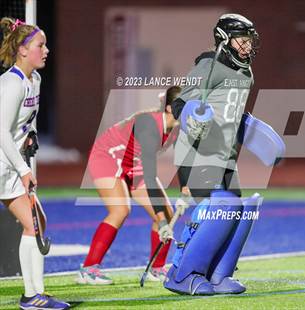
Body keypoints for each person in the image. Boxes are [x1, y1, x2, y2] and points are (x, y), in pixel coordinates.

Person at [163, 14, 284, 295]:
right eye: (242, 40)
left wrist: (253, 132)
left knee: (242, 211)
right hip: (198, 152)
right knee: (224, 208)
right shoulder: (209, 65)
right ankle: (182, 274)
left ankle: (219, 275)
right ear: (224, 38)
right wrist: (193, 117)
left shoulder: (246, 73)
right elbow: (182, 102)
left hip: (225, 154)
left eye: (249, 40)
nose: (247, 46)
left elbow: (232, 113)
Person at [76, 86, 182, 285]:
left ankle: (157, 269)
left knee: (167, 212)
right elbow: (150, 179)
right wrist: (161, 223)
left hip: (133, 162)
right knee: (120, 210)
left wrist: (185, 188)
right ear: (169, 108)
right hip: (108, 156)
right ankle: (88, 269)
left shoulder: (177, 128)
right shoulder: (151, 126)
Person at [0, 17, 70, 309]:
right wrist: (25, 170)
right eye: (41, 45)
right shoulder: (12, 83)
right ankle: (32, 296)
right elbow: (1, 130)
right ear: (22, 51)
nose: (47, 50)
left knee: (36, 222)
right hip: (5, 167)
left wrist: (32, 136)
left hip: (10, 165)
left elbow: (24, 123)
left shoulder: (35, 80)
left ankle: (34, 294)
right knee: (34, 224)